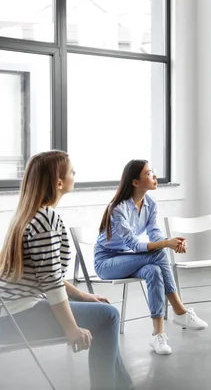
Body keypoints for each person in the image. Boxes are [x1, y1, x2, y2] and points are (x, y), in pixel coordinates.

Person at [0, 150, 132, 390]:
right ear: (59, 183)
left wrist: (83, 296)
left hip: (10, 314)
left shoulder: (28, 215)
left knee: (102, 309)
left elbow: (47, 275)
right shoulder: (46, 219)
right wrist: (71, 329)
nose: (75, 174)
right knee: (109, 316)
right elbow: (51, 282)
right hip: (17, 318)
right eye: (71, 171)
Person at [94, 160, 207, 356]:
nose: (154, 176)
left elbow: (155, 234)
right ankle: (180, 311)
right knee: (159, 252)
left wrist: (175, 242)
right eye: (149, 173)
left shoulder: (150, 204)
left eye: (153, 172)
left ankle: (158, 335)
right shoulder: (118, 209)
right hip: (107, 262)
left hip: (129, 258)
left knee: (154, 270)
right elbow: (134, 244)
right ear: (136, 182)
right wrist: (166, 244)